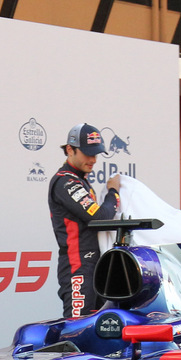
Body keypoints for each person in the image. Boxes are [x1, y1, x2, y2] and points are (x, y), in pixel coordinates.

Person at [48, 123, 121, 318]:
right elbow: (99, 217)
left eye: (96, 154)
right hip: (77, 265)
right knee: (77, 327)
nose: (93, 159)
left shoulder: (79, 180)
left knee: (97, 326)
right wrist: (113, 192)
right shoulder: (65, 181)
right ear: (70, 149)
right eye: (88, 153)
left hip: (92, 263)